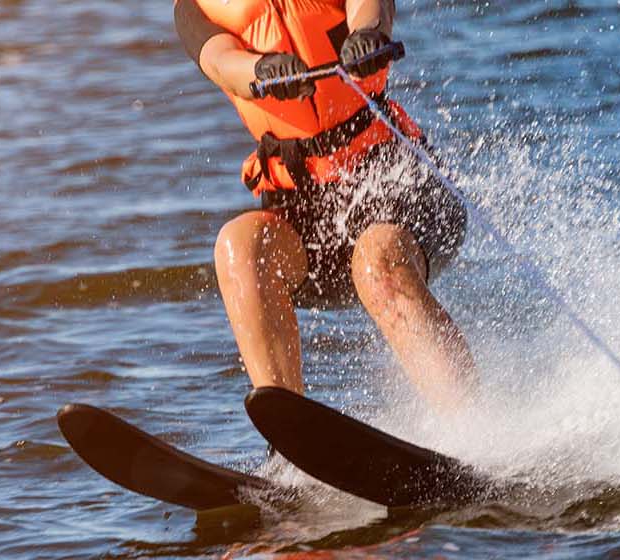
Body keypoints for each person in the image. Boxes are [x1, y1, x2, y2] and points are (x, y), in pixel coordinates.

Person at [174, 0, 477, 407]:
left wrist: (368, 35)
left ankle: (470, 428)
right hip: (305, 207)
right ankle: (288, 439)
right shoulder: (193, 8)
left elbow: (371, 7)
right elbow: (220, 62)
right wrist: (259, 72)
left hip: (396, 184)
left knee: (380, 257)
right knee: (241, 245)